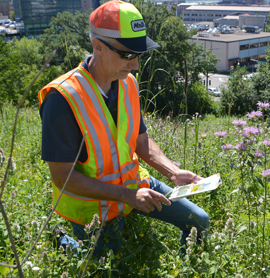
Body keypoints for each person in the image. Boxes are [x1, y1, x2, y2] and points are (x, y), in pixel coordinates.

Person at [38, 0, 209, 257]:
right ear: (99, 47)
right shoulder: (62, 99)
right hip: (91, 207)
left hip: (133, 185)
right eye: (127, 55)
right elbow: (62, 178)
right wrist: (126, 195)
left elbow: (142, 142)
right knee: (108, 268)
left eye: (139, 54)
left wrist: (173, 171)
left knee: (200, 220)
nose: (136, 64)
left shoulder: (127, 82)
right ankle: (62, 240)